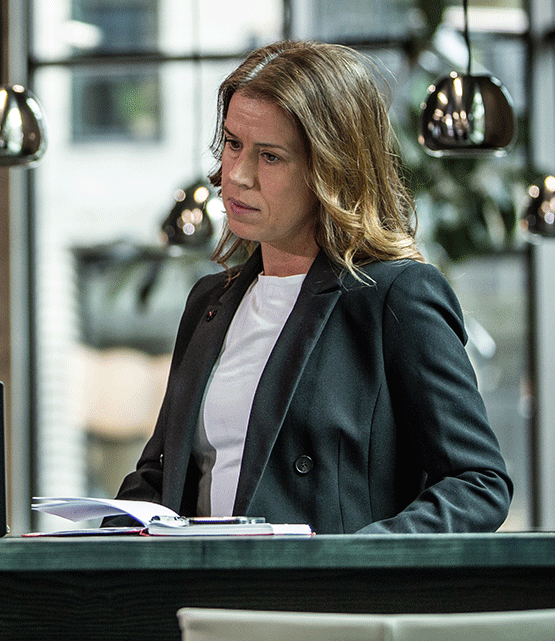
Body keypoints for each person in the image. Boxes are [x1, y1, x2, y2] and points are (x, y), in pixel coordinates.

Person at [115, 39, 512, 533]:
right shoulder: (209, 301)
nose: (236, 175)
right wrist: (96, 536)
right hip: (204, 580)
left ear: (332, 168)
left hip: (324, 584)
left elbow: (478, 483)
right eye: (233, 144)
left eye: (270, 157)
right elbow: (161, 476)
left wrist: (355, 559)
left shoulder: (397, 296)